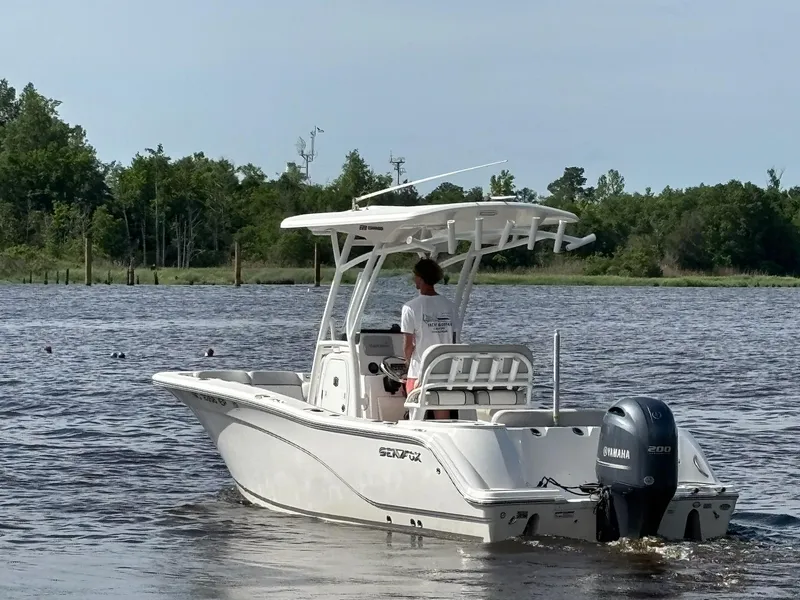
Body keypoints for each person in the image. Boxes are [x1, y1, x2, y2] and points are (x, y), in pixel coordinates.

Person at [400, 258, 460, 419]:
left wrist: (406, 366)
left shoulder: (410, 307)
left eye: (415, 276)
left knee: (415, 409)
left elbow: (408, 346)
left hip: (419, 371)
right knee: (442, 413)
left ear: (420, 277)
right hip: (444, 372)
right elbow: (453, 341)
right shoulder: (449, 305)